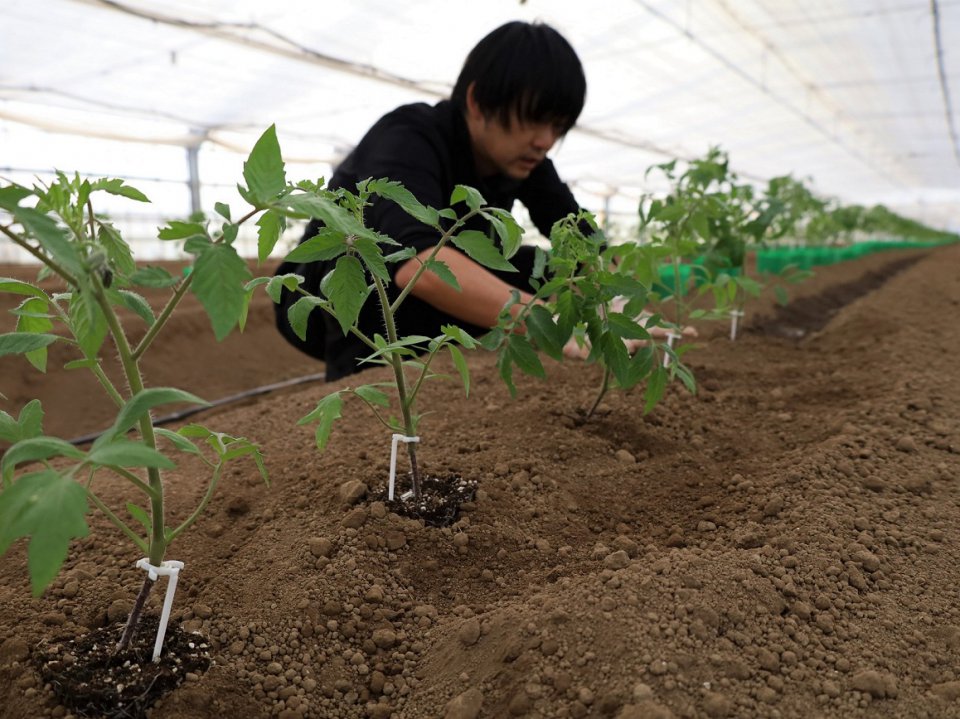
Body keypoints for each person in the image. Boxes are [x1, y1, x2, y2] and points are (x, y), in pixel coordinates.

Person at [274, 21, 614, 380]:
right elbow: (418, 265)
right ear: (477, 101)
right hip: (320, 297)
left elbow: (585, 242)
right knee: (378, 263)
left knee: (545, 267)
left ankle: (452, 374)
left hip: (419, 285)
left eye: (558, 127)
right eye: (533, 120)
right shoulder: (408, 135)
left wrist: (613, 307)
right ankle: (362, 386)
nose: (545, 141)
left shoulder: (528, 163)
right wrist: (548, 323)